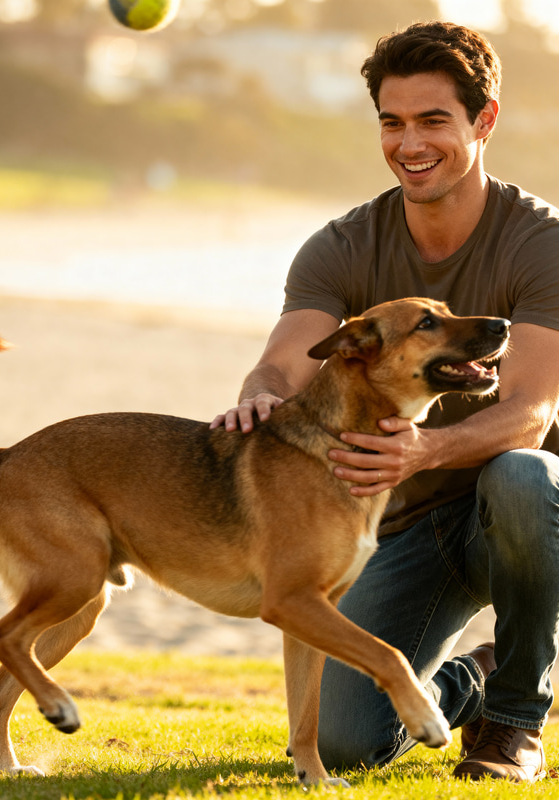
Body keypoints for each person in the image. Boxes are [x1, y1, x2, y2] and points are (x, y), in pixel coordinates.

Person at [211, 21, 559, 783]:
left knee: (527, 477)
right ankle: (476, 680)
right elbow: (282, 364)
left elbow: (533, 409)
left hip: (516, 519)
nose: (410, 143)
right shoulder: (340, 246)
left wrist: (425, 449)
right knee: (345, 742)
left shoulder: (539, 242)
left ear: (484, 120)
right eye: (392, 122)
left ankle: (513, 721)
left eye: (434, 120)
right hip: (400, 525)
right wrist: (256, 398)